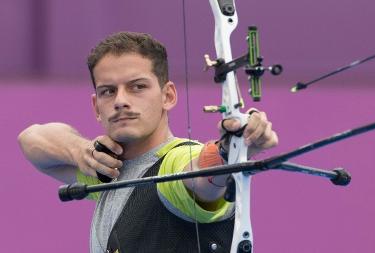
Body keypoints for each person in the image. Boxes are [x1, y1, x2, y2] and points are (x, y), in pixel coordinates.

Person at [18, 31, 278, 253]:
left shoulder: (174, 164)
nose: (120, 100)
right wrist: (80, 151)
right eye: (108, 91)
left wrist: (230, 150)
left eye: (137, 87)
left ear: (168, 96)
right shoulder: (107, 171)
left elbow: (200, 176)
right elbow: (31, 139)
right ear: (97, 107)